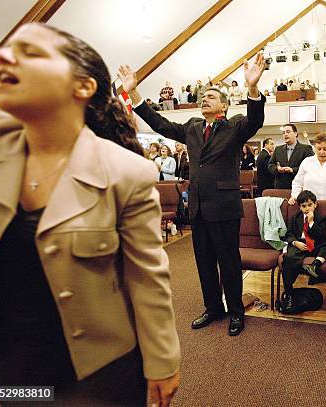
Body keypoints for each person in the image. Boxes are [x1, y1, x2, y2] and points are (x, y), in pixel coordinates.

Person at [0, 23, 180, 406]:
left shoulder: (126, 172)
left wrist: (162, 360)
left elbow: (146, 277)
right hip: (12, 369)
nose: (3, 56)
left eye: (31, 52)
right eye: (6, 48)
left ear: (82, 86)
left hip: (96, 374)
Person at [118, 52, 266, 337]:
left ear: (223, 104)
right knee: (204, 262)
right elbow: (160, 124)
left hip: (224, 206)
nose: (204, 99)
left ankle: (236, 311)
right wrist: (134, 92)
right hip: (198, 207)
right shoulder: (192, 128)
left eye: (210, 96)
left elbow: (256, 120)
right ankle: (213, 308)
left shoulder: (235, 126)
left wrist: (252, 88)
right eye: (202, 97)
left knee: (229, 262)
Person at [280, 190, 326, 311]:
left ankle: (314, 265)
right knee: (288, 257)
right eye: (303, 206)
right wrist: (295, 242)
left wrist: (311, 222)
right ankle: (289, 293)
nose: (307, 208)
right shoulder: (295, 217)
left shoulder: (320, 218)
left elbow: (319, 235)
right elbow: (288, 234)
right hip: (300, 245)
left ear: (315, 204)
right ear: (300, 207)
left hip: (315, 245)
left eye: (309, 205)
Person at [268, 124, 314, 189]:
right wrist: (277, 169)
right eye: (283, 133)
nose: (285, 134)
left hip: (300, 188)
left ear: (295, 133)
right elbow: (270, 165)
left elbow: (310, 166)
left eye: (288, 132)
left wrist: (292, 170)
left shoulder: (306, 149)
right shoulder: (278, 149)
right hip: (281, 187)